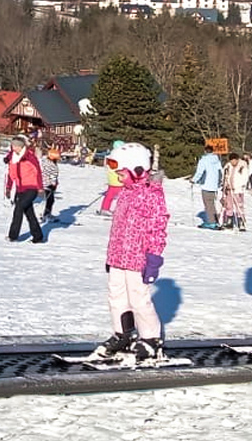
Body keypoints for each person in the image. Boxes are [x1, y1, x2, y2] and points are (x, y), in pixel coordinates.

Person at [89, 142, 170, 363]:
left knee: (139, 299)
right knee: (116, 296)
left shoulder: (152, 195)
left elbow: (157, 228)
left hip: (138, 258)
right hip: (118, 257)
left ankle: (151, 339)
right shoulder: (125, 194)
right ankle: (123, 334)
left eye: (121, 172)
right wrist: (111, 256)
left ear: (137, 170)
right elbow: (118, 228)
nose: (117, 176)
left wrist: (153, 259)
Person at [4, 137, 46, 243]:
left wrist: (40, 188)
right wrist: (8, 188)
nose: (13, 148)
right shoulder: (12, 158)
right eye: (12, 146)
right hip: (20, 189)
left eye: (15, 146)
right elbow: (11, 174)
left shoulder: (30, 157)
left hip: (31, 188)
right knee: (29, 213)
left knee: (18, 208)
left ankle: (13, 236)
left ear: (20, 146)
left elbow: (38, 172)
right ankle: (38, 237)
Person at [193, 144, 224, 229]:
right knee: (212, 204)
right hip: (214, 186)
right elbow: (220, 172)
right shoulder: (217, 159)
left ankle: (211, 222)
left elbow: (200, 172)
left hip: (206, 185)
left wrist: (194, 180)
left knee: (208, 204)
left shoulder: (204, 160)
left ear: (205, 151)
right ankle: (214, 220)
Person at [221, 154, 251, 231]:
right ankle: (229, 221)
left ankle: (241, 221)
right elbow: (224, 175)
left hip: (238, 190)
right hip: (229, 189)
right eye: (231, 161)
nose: (233, 162)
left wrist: (238, 186)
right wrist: (225, 184)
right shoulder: (228, 166)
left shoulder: (242, 166)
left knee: (239, 206)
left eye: (234, 160)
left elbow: (245, 178)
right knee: (229, 205)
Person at [100, 140, 126, 216]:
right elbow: (116, 168)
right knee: (122, 196)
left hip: (113, 179)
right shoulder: (116, 157)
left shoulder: (112, 156)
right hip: (117, 179)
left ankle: (105, 208)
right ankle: (121, 210)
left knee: (110, 195)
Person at [39, 144, 62, 218]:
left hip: (42, 183)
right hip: (48, 185)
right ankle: (46, 214)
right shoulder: (53, 166)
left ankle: (46, 213)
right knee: (50, 200)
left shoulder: (44, 161)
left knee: (49, 200)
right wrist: (53, 184)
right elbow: (53, 177)